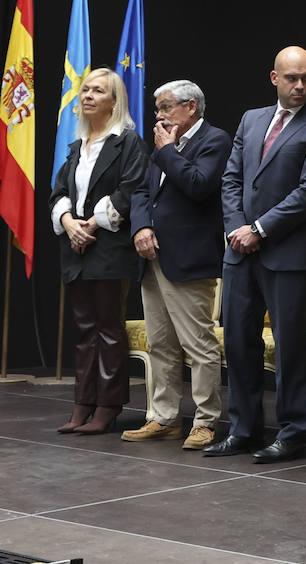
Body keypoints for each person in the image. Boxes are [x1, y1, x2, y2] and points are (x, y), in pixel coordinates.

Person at [206, 46, 306, 462]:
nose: (299, 85)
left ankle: (293, 431)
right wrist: (235, 229)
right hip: (240, 252)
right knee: (240, 343)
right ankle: (243, 429)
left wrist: (259, 229)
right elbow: (231, 179)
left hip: (285, 253)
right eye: (290, 78)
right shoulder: (251, 119)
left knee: (290, 347)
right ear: (274, 78)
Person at [123, 79, 230, 450]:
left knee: (197, 344)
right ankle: (164, 417)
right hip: (152, 259)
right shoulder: (161, 146)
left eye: (166, 107)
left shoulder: (214, 140)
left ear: (190, 107)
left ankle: (205, 422)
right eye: (157, 109)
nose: (159, 116)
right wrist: (141, 226)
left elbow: (199, 185)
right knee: (161, 343)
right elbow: (140, 191)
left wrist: (168, 150)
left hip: (189, 259)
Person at [51, 68, 148, 435]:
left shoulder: (128, 142)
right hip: (77, 250)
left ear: (114, 101)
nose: (87, 95)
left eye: (98, 91)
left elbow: (131, 190)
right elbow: (59, 192)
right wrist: (68, 220)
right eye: (85, 89)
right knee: (85, 330)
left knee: (108, 329)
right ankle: (82, 404)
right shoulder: (77, 147)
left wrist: (90, 222)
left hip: (109, 248)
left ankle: (107, 407)